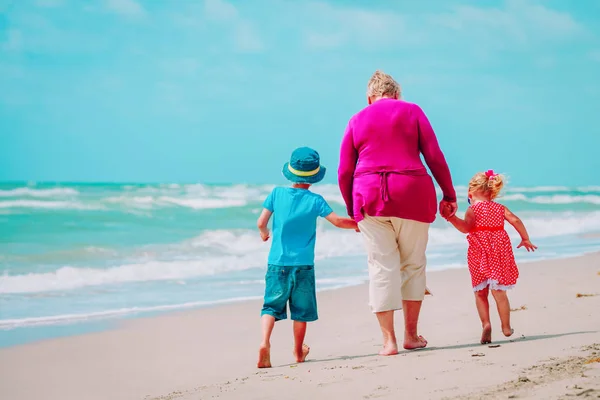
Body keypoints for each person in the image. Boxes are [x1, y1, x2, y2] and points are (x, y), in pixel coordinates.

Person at [338, 70, 457, 356]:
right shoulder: (412, 111)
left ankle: (388, 341)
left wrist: (352, 209)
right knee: (413, 265)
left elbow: (345, 171)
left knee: (381, 267)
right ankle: (411, 335)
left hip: (368, 198)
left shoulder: (356, 119)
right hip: (412, 194)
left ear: (370, 97)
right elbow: (434, 155)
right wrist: (448, 194)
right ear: (397, 94)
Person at [256, 147, 358, 368]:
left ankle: (265, 342)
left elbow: (261, 222)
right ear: (314, 177)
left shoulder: (276, 193)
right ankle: (298, 352)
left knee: (270, 307)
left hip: (277, 264)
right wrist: (359, 225)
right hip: (303, 266)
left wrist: (264, 233)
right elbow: (339, 222)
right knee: (301, 312)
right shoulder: (315, 200)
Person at [444, 170, 537, 344]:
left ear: (470, 193)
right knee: (499, 292)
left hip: (478, 253)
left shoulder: (473, 209)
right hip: (498, 252)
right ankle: (506, 327)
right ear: (492, 192)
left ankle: (486, 324)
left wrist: (451, 218)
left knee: (480, 293)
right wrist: (525, 238)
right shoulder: (500, 208)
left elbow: (465, 228)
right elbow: (515, 220)